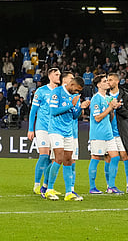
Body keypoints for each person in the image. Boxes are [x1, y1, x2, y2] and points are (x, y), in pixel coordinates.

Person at [45, 76, 87, 201]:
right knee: (58, 158)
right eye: (77, 89)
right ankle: (49, 189)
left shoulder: (75, 97)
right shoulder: (57, 92)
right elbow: (53, 111)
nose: (78, 92)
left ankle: (69, 192)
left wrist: (81, 108)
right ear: (72, 84)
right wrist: (71, 104)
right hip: (56, 130)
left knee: (68, 160)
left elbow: (74, 116)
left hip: (68, 132)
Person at [88, 74, 123, 195]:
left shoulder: (107, 98)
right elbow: (97, 118)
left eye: (108, 81)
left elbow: (110, 117)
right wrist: (109, 107)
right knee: (96, 158)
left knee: (116, 157)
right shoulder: (96, 99)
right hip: (98, 134)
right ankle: (92, 187)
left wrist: (113, 108)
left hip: (109, 134)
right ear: (98, 85)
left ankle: (111, 186)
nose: (107, 83)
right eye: (104, 81)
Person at [27, 67, 60, 195]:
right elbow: (33, 111)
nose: (59, 77)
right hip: (42, 127)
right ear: (50, 76)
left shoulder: (59, 92)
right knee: (44, 155)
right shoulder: (41, 91)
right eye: (56, 74)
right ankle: (36, 184)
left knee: (53, 158)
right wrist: (31, 129)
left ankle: (45, 186)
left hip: (55, 129)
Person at [108, 72, 128, 193]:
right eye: (107, 80)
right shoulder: (104, 95)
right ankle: (110, 186)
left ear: (117, 81)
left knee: (125, 156)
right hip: (107, 132)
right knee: (109, 158)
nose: (108, 82)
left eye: (111, 80)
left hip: (120, 131)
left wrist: (119, 108)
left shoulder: (126, 96)